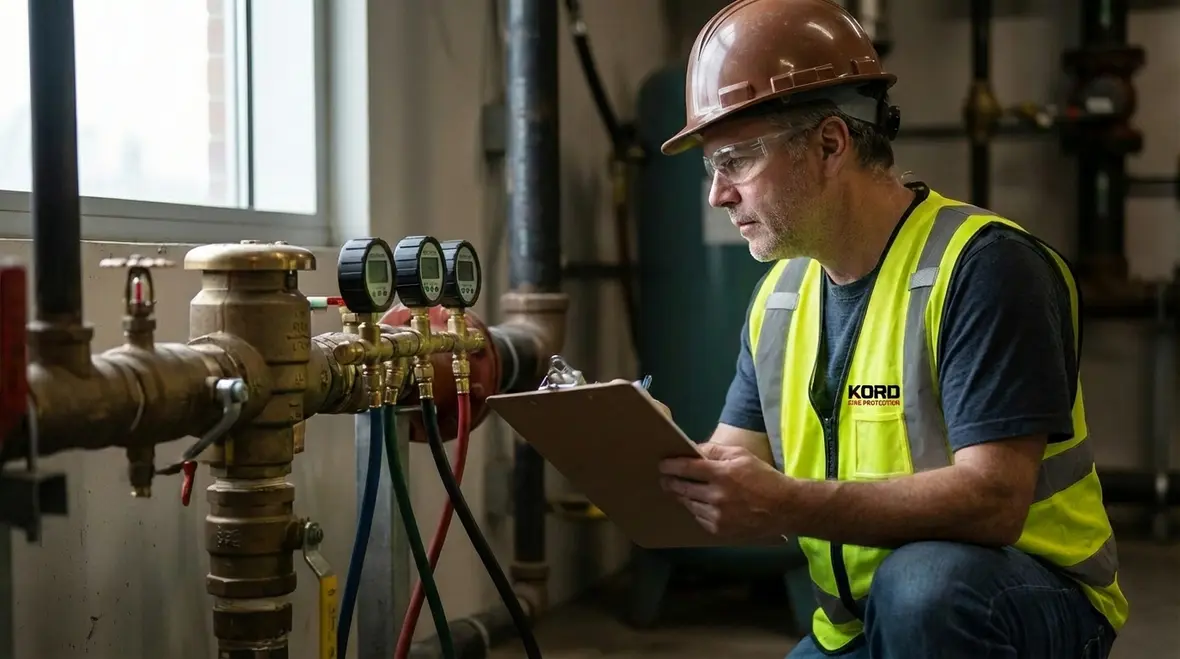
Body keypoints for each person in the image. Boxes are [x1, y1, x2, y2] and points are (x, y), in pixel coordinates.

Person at [648, 0, 1129, 657]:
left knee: (923, 586)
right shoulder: (780, 299)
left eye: (737, 161)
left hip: (1022, 601)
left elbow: (995, 500)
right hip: (859, 625)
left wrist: (789, 503)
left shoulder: (985, 267)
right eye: (712, 167)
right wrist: (654, 453)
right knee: (910, 594)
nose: (717, 194)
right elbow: (735, 465)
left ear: (830, 145)